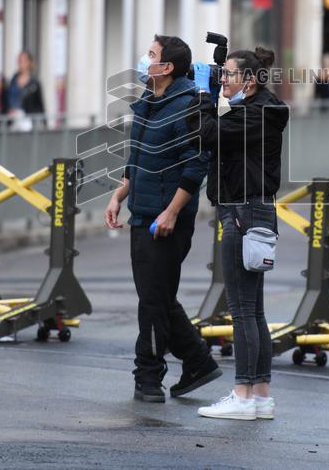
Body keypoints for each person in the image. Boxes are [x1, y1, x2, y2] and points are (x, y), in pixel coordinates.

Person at [104, 35, 220, 403]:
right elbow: (137, 156)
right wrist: (119, 194)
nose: (144, 59)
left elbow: (196, 163)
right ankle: (198, 360)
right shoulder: (148, 102)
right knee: (159, 297)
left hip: (166, 221)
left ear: (167, 67)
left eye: (150, 55)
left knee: (153, 301)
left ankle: (148, 376)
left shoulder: (187, 104)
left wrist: (171, 212)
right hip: (143, 212)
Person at [188, 46, 289, 421]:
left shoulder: (254, 113)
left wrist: (202, 94)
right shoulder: (259, 110)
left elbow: (204, 134)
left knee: (243, 310)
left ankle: (243, 394)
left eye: (228, 74)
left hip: (242, 212)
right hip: (252, 210)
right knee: (254, 310)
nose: (222, 79)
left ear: (249, 79)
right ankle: (260, 394)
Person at [0, 51, 45, 131]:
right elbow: (7, 100)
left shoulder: (34, 84)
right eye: (19, 61)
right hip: (12, 121)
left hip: (27, 120)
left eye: (23, 61)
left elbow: (40, 105)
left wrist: (44, 123)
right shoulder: (12, 81)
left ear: (29, 63)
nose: (20, 64)